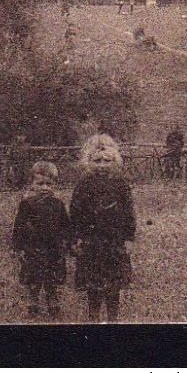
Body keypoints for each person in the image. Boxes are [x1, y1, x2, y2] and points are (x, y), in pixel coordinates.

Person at [70, 134, 136, 322]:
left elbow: (129, 212)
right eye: (96, 161)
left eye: (106, 161)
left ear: (114, 161)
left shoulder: (120, 183)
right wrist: (76, 237)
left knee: (114, 283)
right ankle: (93, 314)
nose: (101, 165)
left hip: (114, 240)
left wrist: (129, 238)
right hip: (91, 240)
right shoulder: (83, 184)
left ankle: (113, 316)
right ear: (88, 161)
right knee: (93, 282)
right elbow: (75, 212)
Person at [12, 160, 70, 320]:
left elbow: (65, 225)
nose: (45, 188)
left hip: (53, 248)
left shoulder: (57, 204)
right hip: (33, 247)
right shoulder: (27, 204)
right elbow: (19, 226)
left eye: (49, 184)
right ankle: (33, 301)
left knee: (52, 277)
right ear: (32, 184)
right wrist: (19, 247)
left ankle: (53, 300)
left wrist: (66, 242)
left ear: (54, 185)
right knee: (33, 277)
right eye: (40, 183)